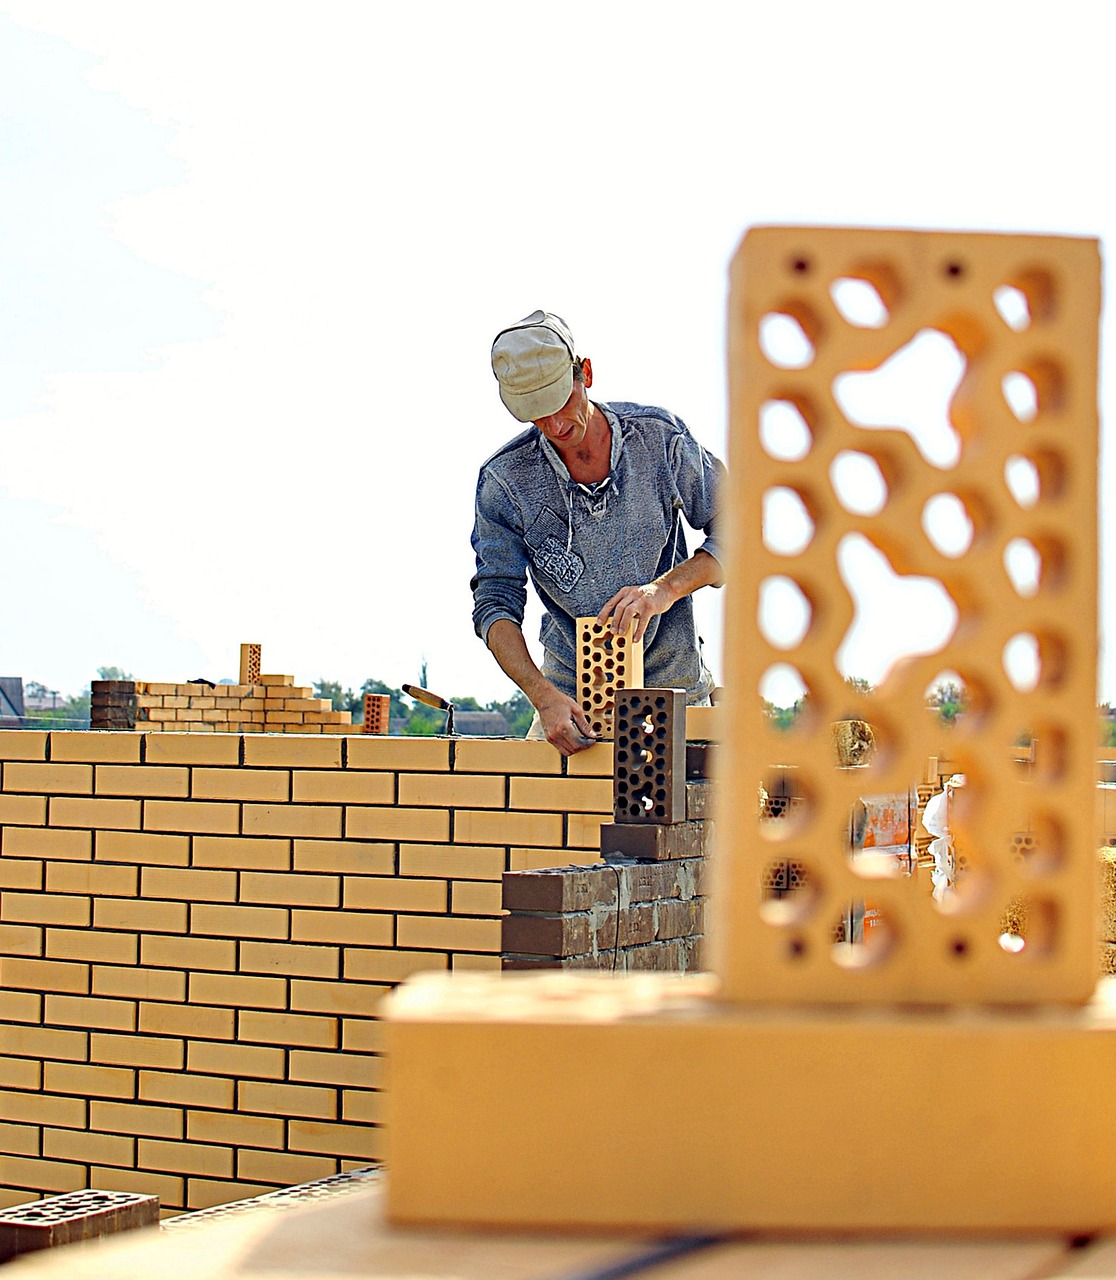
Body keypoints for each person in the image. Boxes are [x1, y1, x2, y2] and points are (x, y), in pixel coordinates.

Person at [470, 309, 725, 756]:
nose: (555, 426)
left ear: (584, 373)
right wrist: (543, 696)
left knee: (689, 823)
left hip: (676, 693)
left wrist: (663, 590)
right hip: (571, 710)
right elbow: (495, 603)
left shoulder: (658, 441)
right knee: (547, 824)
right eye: (537, 417)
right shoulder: (506, 481)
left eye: (560, 404)